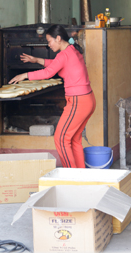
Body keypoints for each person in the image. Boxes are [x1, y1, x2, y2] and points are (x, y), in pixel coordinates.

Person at [9, 24, 96, 168]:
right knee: (74, 140)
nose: (49, 45)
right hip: (88, 100)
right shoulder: (72, 50)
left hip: (78, 101)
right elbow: (56, 64)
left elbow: (48, 73)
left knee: (61, 139)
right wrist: (36, 60)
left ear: (59, 38)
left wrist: (25, 75)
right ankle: (81, 177)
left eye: (50, 41)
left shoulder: (64, 54)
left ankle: (71, 178)